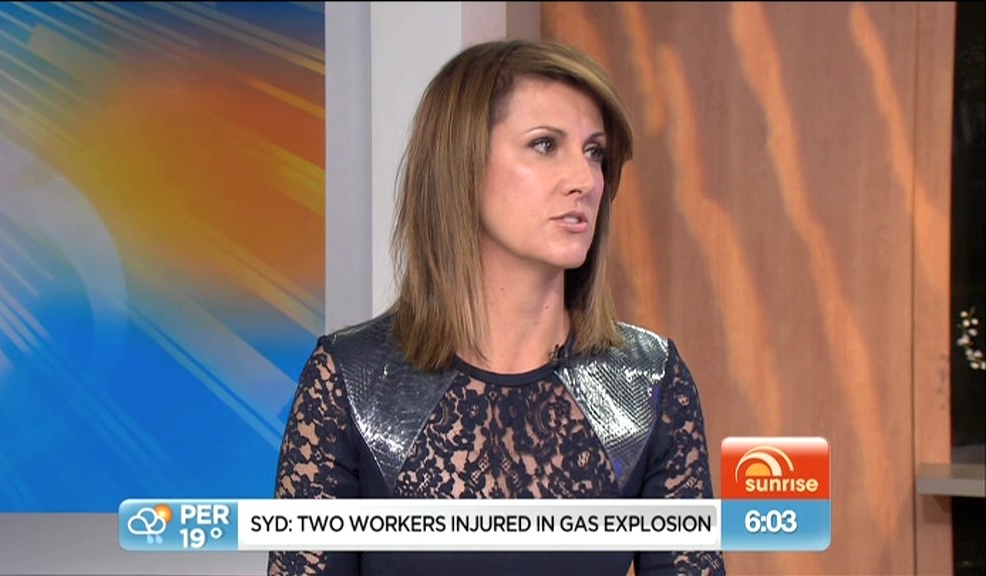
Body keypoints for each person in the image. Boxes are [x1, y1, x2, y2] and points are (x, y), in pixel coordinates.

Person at [268, 39, 726, 576]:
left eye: (595, 152)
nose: (585, 181)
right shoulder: (349, 380)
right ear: (461, 166)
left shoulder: (649, 381)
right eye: (545, 145)